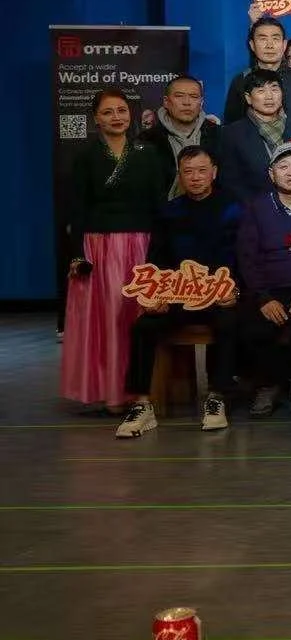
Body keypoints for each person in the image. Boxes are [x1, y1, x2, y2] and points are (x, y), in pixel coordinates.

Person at [115, 145, 242, 437]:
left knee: (229, 322)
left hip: (218, 295)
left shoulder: (233, 208)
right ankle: (142, 404)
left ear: (214, 173)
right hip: (176, 297)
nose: (195, 177)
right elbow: (156, 260)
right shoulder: (168, 212)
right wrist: (154, 296)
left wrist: (234, 290)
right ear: (180, 176)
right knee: (143, 326)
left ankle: (217, 397)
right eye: (188, 172)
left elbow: (242, 257)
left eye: (201, 171)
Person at [62, 89, 170, 411]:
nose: (116, 117)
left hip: (141, 244)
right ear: (96, 118)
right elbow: (76, 210)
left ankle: (141, 390)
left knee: (137, 316)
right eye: (108, 112)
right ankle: (112, 392)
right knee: (108, 320)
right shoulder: (85, 156)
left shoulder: (148, 154)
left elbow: (159, 206)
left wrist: (160, 254)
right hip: (100, 246)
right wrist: (77, 255)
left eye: (121, 110)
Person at [234, 142, 291, 414]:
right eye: (283, 167)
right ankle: (268, 384)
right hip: (268, 290)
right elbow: (246, 257)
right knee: (253, 326)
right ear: (272, 174)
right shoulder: (256, 208)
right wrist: (263, 298)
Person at [221, 70, 291, 203]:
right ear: (248, 98)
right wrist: (259, 207)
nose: (269, 96)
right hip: (252, 207)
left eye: (274, 89)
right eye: (261, 90)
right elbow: (230, 181)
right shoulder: (233, 134)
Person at [224, 15, 291, 127]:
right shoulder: (241, 80)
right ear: (252, 45)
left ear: (284, 45)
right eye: (263, 39)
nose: (269, 45)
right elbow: (231, 126)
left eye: (275, 39)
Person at [140, 76, 222, 182]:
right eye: (179, 96)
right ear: (166, 101)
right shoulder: (146, 140)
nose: (187, 102)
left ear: (201, 102)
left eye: (193, 97)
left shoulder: (221, 136)